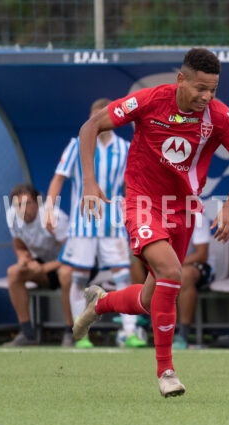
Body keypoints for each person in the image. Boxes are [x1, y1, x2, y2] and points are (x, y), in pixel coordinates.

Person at [72, 47, 229, 397]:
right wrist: (90, 182)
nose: (207, 96)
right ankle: (166, 370)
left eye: (213, 89)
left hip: (183, 211)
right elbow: (91, 126)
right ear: (180, 79)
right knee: (172, 273)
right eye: (200, 88)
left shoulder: (219, 116)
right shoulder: (150, 101)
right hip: (142, 201)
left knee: (151, 297)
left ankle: (100, 304)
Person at [46, 98, 147, 349]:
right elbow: (59, 178)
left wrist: (135, 211)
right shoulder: (77, 144)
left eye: (104, 113)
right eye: (95, 115)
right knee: (78, 278)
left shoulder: (124, 148)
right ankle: (82, 334)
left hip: (112, 223)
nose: (99, 119)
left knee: (123, 275)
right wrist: (49, 208)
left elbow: (130, 183)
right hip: (83, 223)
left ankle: (129, 331)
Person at [3, 183, 73, 346]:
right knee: (14, 272)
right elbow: (19, 247)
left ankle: (70, 332)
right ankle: (27, 334)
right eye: (18, 205)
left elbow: (72, 252)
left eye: (27, 203)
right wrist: (23, 260)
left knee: (65, 274)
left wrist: (44, 268)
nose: (22, 209)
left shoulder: (53, 217)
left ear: (38, 203)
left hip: (71, 264)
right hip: (44, 266)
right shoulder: (12, 217)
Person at [173, 211, 215, 349]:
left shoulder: (197, 217)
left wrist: (172, 264)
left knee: (185, 275)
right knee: (134, 260)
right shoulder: (156, 215)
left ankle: (183, 335)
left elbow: (201, 255)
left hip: (197, 267)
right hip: (169, 266)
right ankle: (136, 321)